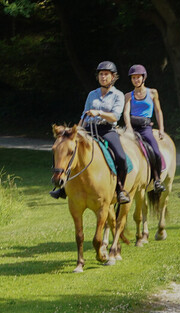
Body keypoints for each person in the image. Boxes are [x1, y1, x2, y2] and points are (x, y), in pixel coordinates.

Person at [51, 61, 131, 205]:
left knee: (121, 158)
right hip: (87, 130)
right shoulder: (92, 94)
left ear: (113, 77)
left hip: (107, 130)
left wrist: (99, 112)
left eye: (106, 74)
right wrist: (76, 131)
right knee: (68, 151)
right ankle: (62, 188)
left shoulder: (118, 95)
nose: (103, 77)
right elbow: (83, 115)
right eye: (101, 74)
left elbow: (115, 117)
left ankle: (120, 191)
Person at [123, 64, 166, 193]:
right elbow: (126, 113)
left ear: (143, 78)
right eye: (133, 78)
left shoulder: (152, 92)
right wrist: (129, 129)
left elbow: (158, 111)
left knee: (156, 152)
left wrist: (162, 129)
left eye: (138, 77)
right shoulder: (128, 96)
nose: (136, 80)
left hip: (145, 128)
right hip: (132, 128)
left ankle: (157, 179)